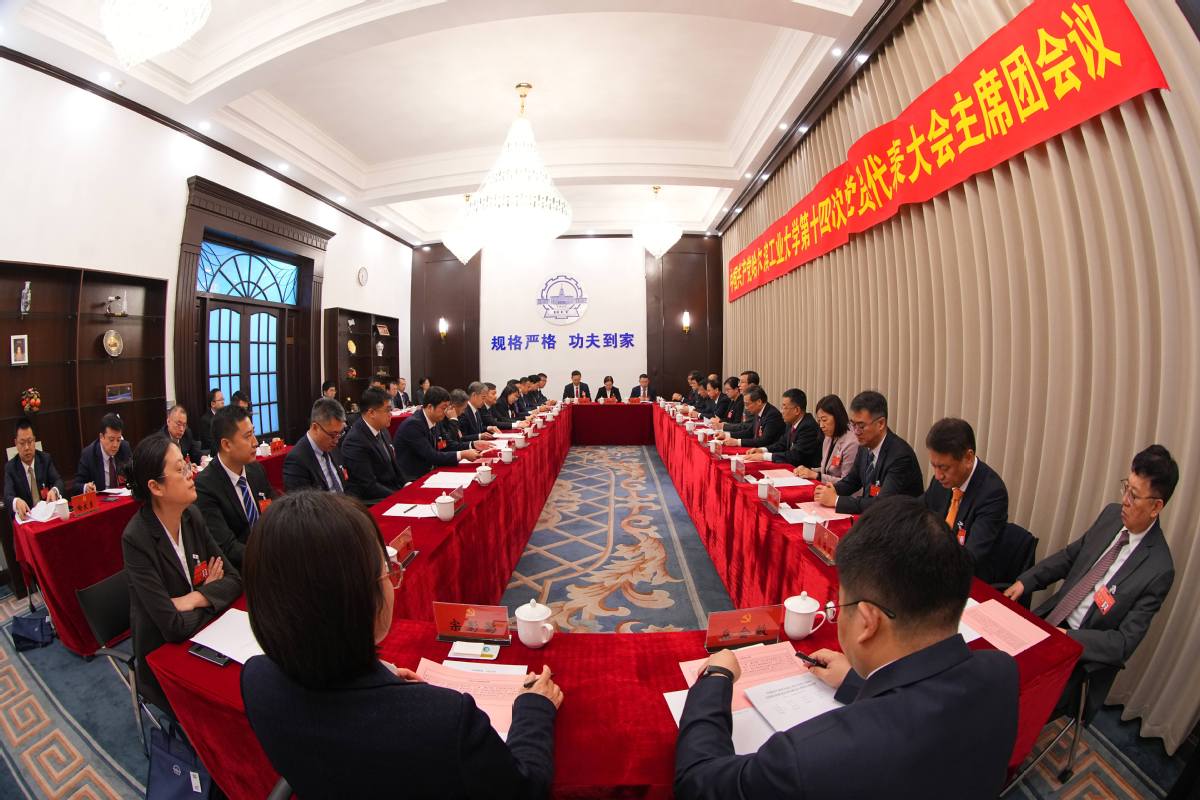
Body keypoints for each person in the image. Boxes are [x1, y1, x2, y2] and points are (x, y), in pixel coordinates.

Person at [675, 497, 1018, 799]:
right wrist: (855, 683)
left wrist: (716, 678)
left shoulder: (808, 757)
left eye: (840, 607)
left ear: (868, 622)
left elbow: (699, 782)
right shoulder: (1001, 671)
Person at [240, 491, 562, 798]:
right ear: (357, 600)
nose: (394, 580)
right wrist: (534, 708)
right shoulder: (446, 721)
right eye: (386, 570)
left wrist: (382, 678)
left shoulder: (256, 678)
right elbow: (525, 789)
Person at [1005, 445, 1176, 680]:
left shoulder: (1158, 569)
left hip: (1079, 652)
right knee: (993, 657)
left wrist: (1067, 637)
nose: (1124, 500)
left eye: (1134, 496)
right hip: (1051, 620)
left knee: (1014, 682)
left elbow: (1122, 643)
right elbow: (1070, 557)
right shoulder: (1111, 515)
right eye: (1126, 487)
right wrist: (1026, 581)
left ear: (1156, 506)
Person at [121, 434, 241, 714]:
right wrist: (211, 594)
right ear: (155, 487)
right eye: (180, 469)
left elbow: (235, 580)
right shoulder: (136, 539)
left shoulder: (191, 516)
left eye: (187, 465)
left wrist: (194, 598)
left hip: (205, 633)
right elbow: (172, 626)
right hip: (163, 653)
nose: (190, 474)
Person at [923, 418, 1009, 579]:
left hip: (967, 578)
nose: (938, 475)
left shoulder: (992, 494)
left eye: (944, 467)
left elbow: (971, 557)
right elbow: (920, 508)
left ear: (968, 458)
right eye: (934, 466)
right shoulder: (942, 480)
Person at [194, 405, 277, 569]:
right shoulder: (206, 486)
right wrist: (268, 558)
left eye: (253, 433)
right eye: (248, 436)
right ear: (226, 445)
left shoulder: (256, 470)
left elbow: (272, 513)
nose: (255, 442)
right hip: (243, 568)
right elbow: (227, 547)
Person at [812, 390, 923, 514]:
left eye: (861, 426)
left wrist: (836, 500)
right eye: (853, 425)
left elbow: (883, 503)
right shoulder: (865, 445)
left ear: (880, 423)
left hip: (898, 519)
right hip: (872, 515)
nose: (855, 432)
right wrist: (832, 489)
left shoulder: (900, 456)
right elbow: (852, 481)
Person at [394, 387, 481, 482]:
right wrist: (462, 454)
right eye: (443, 408)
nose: (446, 411)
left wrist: (472, 444)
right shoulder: (413, 425)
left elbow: (447, 445)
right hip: (415, 477)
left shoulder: (436, 420)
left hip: (432, 472)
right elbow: (431, 455)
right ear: (430, 407)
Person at [340, 387, 404, 503]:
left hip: (392, 490)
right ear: (371, 413)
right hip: (375, 499)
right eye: (387, 410)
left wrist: (406, 485)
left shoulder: (382, 429)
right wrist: (399, 496)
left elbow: (394, 467)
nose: (390, 414)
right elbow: (368, 485)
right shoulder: (355, 441)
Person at [4, 418, 64, 521]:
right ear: (16, 443)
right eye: (22, 443)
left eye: (30, 441)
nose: (27, 447)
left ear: (34, 440)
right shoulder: (11, 467)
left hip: (47, 517)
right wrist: (16, 501)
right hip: (28, 519)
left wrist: (54, 490)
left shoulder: (45, 459)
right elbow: (7, 495)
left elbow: (58, 481)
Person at [283, 398, 348, 493]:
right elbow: (301, 501)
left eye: (340, 433)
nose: (336, 440)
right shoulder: (296, 460)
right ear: (315, 427)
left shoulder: (332, 447)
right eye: (332, 435)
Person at [744, 389, 820, 467]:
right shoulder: (791, 422)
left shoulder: (808, 427)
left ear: (797, 410)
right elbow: (781, 444)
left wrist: (764, 456)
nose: (781, 411)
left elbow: (795, 456)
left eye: (785, 408)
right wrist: (762, 450)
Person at [794, 394, 858, 485]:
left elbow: (847, 482)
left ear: (837, 417)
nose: (821, 426)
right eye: (819, 421)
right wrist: (808, 470)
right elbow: (826, 469)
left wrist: (817, 476)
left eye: (824, 420)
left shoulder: (851, 442)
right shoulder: (828, 437)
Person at [75, 413, 132, 494]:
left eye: (118, 440)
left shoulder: (124, 448)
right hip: (101, 499)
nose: (115, 445)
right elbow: (77, 485)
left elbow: (133, 474)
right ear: (101, 437)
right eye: (111, 440)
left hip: (122, 496)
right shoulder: (88, 454)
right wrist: (86, 487)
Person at [716, 386, 784, 449]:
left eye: (747, 404)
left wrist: (738, 442)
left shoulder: (772, 415)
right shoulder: (758, 411)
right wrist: (727, 435)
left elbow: (764, 441)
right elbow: (749, 432)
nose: (746, 408)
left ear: (759, 402)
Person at [197, 388, 224, 454]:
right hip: (211, 453)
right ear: (213, 404)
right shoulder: (205, 420)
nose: (223, 402)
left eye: (223, 399)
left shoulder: (224, 416)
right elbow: (210, 443)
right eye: (220, 400)